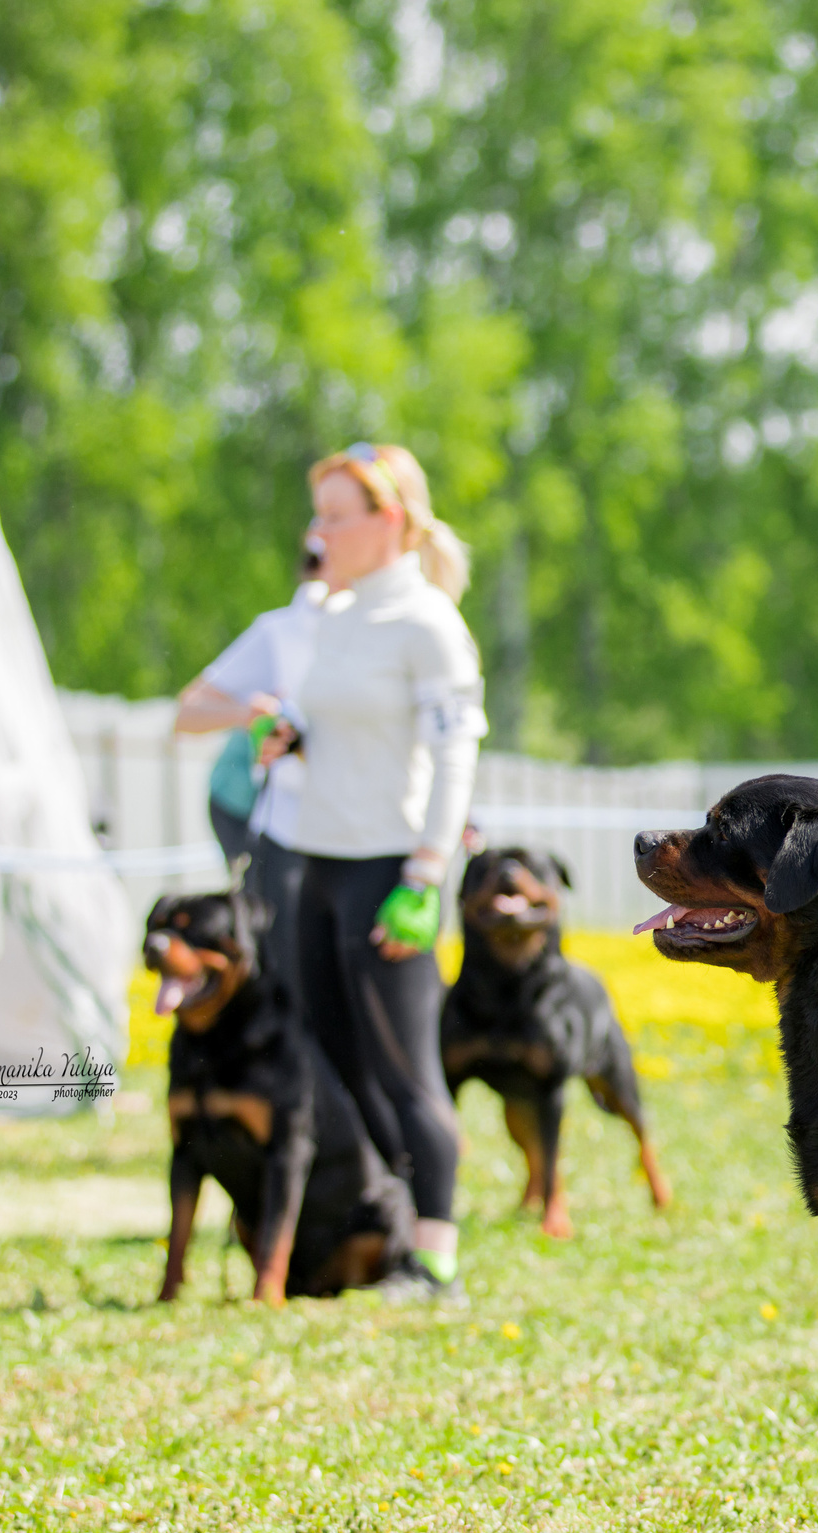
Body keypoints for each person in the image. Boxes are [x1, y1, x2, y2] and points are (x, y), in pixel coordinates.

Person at [261, 442, 485, 1305]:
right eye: (316, 514)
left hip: (391, 869)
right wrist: (296, 734)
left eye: (332, 515)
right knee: (343, 1059)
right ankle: (392, 1239)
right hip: (318, 865)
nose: (317, 532)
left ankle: (437, 1262)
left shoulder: (427, 621)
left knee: (407, 1069)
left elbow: (454, 750)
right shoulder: (338, 614)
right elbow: (351, 728)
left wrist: (426, 876)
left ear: (386, 521)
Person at [175, 553, 330, 1000]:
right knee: (279, 957)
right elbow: (187, 712)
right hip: (256, 812)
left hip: (344, 826)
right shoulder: (283, 632)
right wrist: (249, 712)